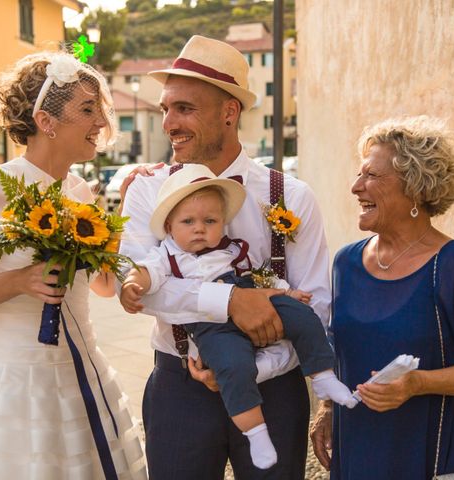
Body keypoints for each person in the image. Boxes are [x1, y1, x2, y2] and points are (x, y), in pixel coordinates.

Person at [0, 51, 146, 479]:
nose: (101, 122)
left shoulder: (81, 192)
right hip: (13, 384)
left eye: (100, 109)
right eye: (87, 110)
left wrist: (120, 219)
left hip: (84, 376)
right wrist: (20, 280)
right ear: (46, 121)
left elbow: (98, 286)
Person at [119, 35, 331, 479]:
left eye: (185, 109)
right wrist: (231, 302)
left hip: (275, 391)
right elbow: (140, 291)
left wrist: (253, 369)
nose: (169, 123)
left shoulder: (291, 195)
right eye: (165, 109)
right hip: (179, 388)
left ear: (229, 113)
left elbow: (317, 301)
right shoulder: (145, 190)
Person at [309, 116, 454, 479]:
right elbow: (337, 345)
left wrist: (417, 383)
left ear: (415, 188)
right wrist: (328, 407)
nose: (355, 187)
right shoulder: (346, 263)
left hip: (434, 454)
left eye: (371, 176)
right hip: (359, 447)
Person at [120, 165, 356, 470]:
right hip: (189, 370)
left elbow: (265, 279)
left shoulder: (285, 200)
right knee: (231, 360)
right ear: (169, 226)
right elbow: (139, 275)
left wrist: (285, 295)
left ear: (229, 113)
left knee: (305, 316)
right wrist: (133, 284)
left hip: (277, 386)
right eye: (188, 221)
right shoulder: (158, 223)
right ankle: (256, 433)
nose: (199, 229)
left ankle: (324, 378)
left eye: (210, 221)